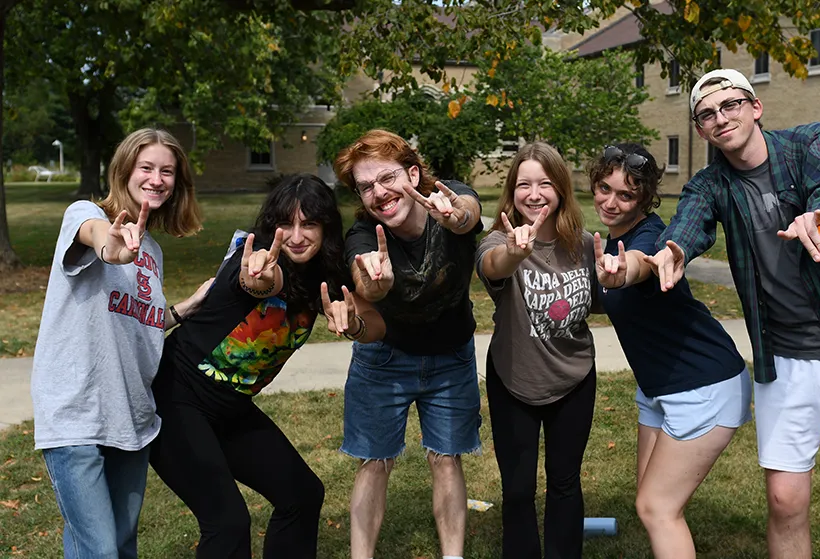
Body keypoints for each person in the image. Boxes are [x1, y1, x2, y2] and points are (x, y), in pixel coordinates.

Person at [647, 69, 820, 558]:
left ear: (755, 107)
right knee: (785, 501)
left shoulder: (811, 142)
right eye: (707, 114)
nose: (720, 117)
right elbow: (689, 222)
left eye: (730, 104)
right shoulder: (711, 185)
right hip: (785, 359)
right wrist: (675, 251)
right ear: (701, 130)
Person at [148, 174, 356, 559]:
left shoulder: (323, 276)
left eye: (308, 223)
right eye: (286, 224)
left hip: (230, 410)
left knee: (302, 494)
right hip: (176, 398)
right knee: (226, 522)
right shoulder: (256, 258)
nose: (295, 236)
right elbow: (260, 281)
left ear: (325, 227)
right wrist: (257, 275)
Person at [31, 128, 203, 558]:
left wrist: (189, 305)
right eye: (147, 167)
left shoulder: (154, 253)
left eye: (168, 171)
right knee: (101, 551)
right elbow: (97, 238)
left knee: (119, 547)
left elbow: (141, 320)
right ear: (124, 170)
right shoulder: (84, 213)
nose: (157, 179)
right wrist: (110, 245)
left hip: (132, 418)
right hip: (76, 415)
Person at [588, 143, 751, 558]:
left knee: (656, 506)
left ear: (643, 198)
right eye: (604, 188)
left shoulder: (652, 240)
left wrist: (624, 273)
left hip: (703, 385)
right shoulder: (612, 240)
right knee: (651, 500)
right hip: (660, 386)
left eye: (625, 195)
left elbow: (641, 265)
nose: (610, 201)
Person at [334, 129, 483, 559]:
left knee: (446, 458)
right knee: (374, 462)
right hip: (384, 360)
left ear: (413, 174)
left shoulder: (446, 197)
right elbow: (364, 279)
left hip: (451, 356)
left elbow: (468, 212)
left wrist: (457, 216)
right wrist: (374, 283)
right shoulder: (364, 236)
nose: (379, 193)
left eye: (386, 178)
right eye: (366, 187)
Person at [475, 142, 601, 558]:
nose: (534, 194)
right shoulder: (496, 240)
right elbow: (494, 265)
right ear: (511, 193)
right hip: (515, 380)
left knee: (565, 483)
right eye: (523, 184)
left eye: (545, 184)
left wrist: (619, 275)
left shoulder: (581, 244)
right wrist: (513, 254)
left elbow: (601, 297)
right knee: (518, 490)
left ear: (561, 189)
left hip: (575, 378)